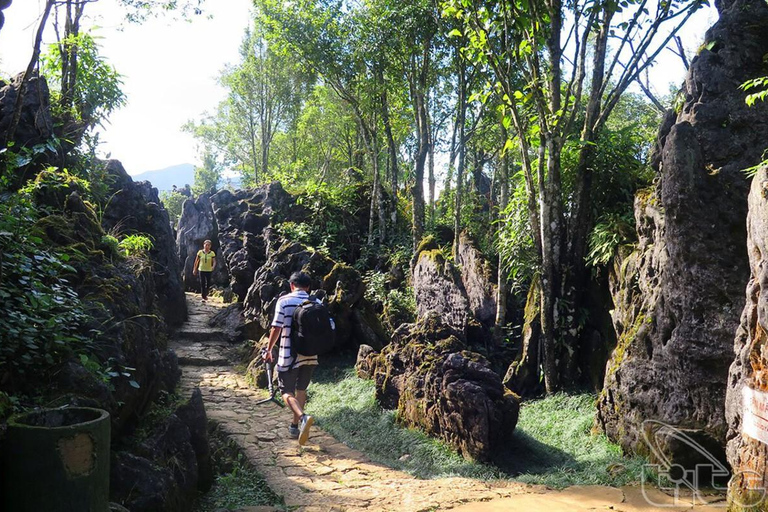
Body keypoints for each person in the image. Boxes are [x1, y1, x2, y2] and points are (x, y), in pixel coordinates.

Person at [265, 271, 330, 445]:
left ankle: (302, 418)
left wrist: (269, 349)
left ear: (291, 285)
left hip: (289, 354)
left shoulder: (284, 301)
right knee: (301, 390)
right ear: (308, 287)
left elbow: (276, 327)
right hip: (311, 354)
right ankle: (295, 426)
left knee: (286, 391)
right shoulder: (316, 302)